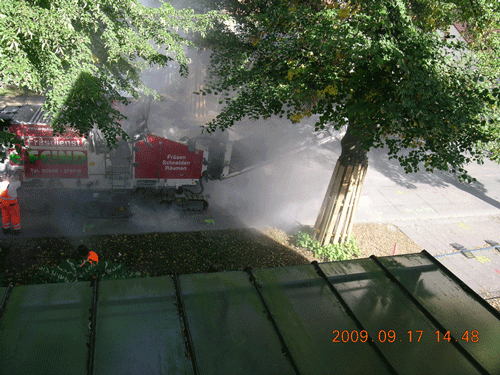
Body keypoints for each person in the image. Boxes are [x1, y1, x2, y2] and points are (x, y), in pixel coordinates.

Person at [0, 171, 22, 235]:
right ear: (8, 177)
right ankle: (16, 230)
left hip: (3, 204)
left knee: (5, 216)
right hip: (12, 205)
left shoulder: (0, 184)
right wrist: (20, 173)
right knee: (15, 217)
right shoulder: (14, 184)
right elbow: (20, 181)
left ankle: (6, 229)